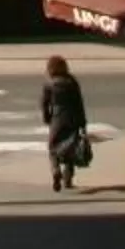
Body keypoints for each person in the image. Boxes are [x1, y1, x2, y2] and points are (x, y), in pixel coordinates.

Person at [41, 54, 90, 191]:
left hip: (57, 118)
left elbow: (44, 103)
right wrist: (83, 123)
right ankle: (68, 179)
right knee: (71, 147)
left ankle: (56, 171)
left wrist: (47, 118)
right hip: (72, 118)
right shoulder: (72, 81)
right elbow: (79, 103)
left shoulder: (49, 83)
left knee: (53, 148)